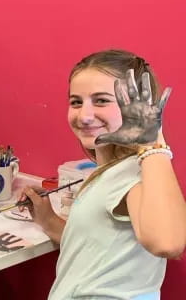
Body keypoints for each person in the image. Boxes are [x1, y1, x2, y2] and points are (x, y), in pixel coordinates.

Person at [19, 49, 186, 299]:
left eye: (101, 100)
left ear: (138, 108)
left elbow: (167, 243)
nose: (84, 116)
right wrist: (48, 220)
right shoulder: (110, 171)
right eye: (76, 102)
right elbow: (96, 248)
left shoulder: (133, 175)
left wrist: (152, 143)